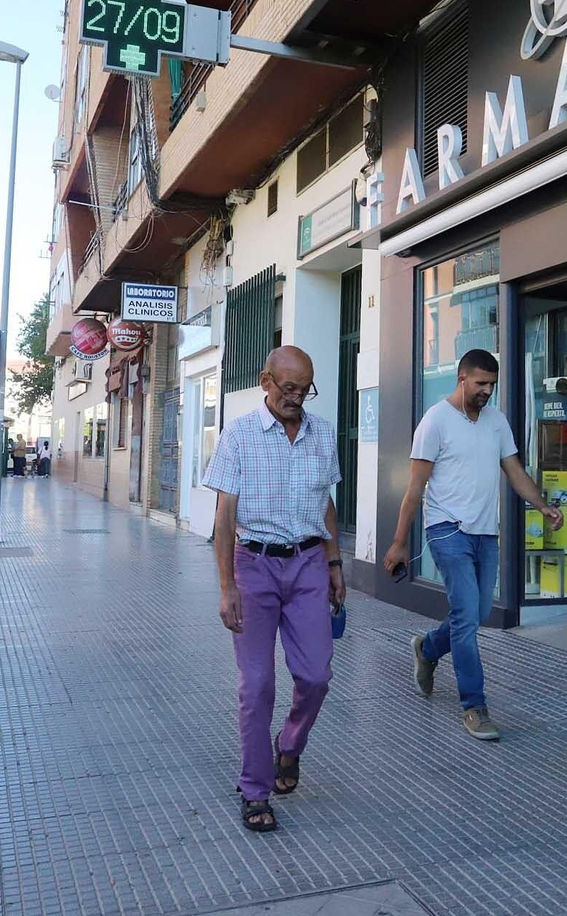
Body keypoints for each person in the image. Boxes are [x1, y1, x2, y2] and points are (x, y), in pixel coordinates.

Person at [383, 348, 563, 741]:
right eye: (481, 383)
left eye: (492, 385)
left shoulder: (496, 421)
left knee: (476, 613)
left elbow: (514, 470)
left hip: (485, 532)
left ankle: (428, 650)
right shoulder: (436, 421)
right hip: (446, 530)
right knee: (466, 616)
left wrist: (542, 506)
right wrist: (399, 542)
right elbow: (415, 488)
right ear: (461, 378)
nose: (487, 391)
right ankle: (474, 706)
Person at [203, 345, 345, 833]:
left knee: (316, 675)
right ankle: (255, 789)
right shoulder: (239, 435)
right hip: (254, 566)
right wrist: (227, 586)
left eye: (305, 390)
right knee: (258, 684)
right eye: (288, 388)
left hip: (308, 564)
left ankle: (290, 745)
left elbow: (325, 502)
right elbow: (224, 518)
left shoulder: (322, 433)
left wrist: (334, 563)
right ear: (266, 381)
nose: (297, 398)